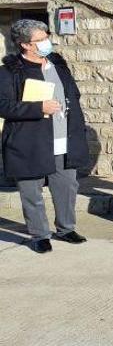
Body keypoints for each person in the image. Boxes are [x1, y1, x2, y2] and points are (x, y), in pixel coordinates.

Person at [0, 19, 89, 253]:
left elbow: (72, 93)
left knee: (67, 186)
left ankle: (66, 228)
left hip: (63, 139)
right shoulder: (9, 71)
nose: (46, 42)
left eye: (46, 37)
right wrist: (38, 108)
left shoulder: (57, 64)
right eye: (40, 40)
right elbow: (4, 106)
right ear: (25, 45)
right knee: (31, 192)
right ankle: (39, 234)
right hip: (29, 142)